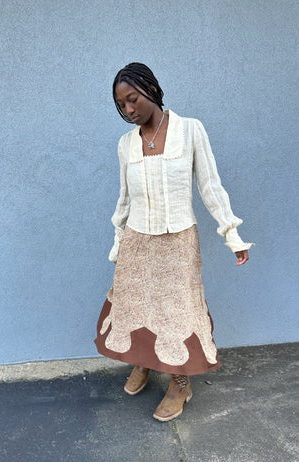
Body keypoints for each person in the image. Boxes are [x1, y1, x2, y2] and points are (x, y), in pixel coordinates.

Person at [94, 62, 253, 422]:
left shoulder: (190, 130)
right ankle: (143, 362)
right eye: (121, 106)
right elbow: (124, 198)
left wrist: (232, 234)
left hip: (178, 240)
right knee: (136, 304)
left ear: (150, 89)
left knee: (176, 310)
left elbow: (211, 186)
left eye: (132, 100)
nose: (128, 110)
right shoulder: (125, 145)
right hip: (137, 239)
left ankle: (181, 382)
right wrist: (119, 240)